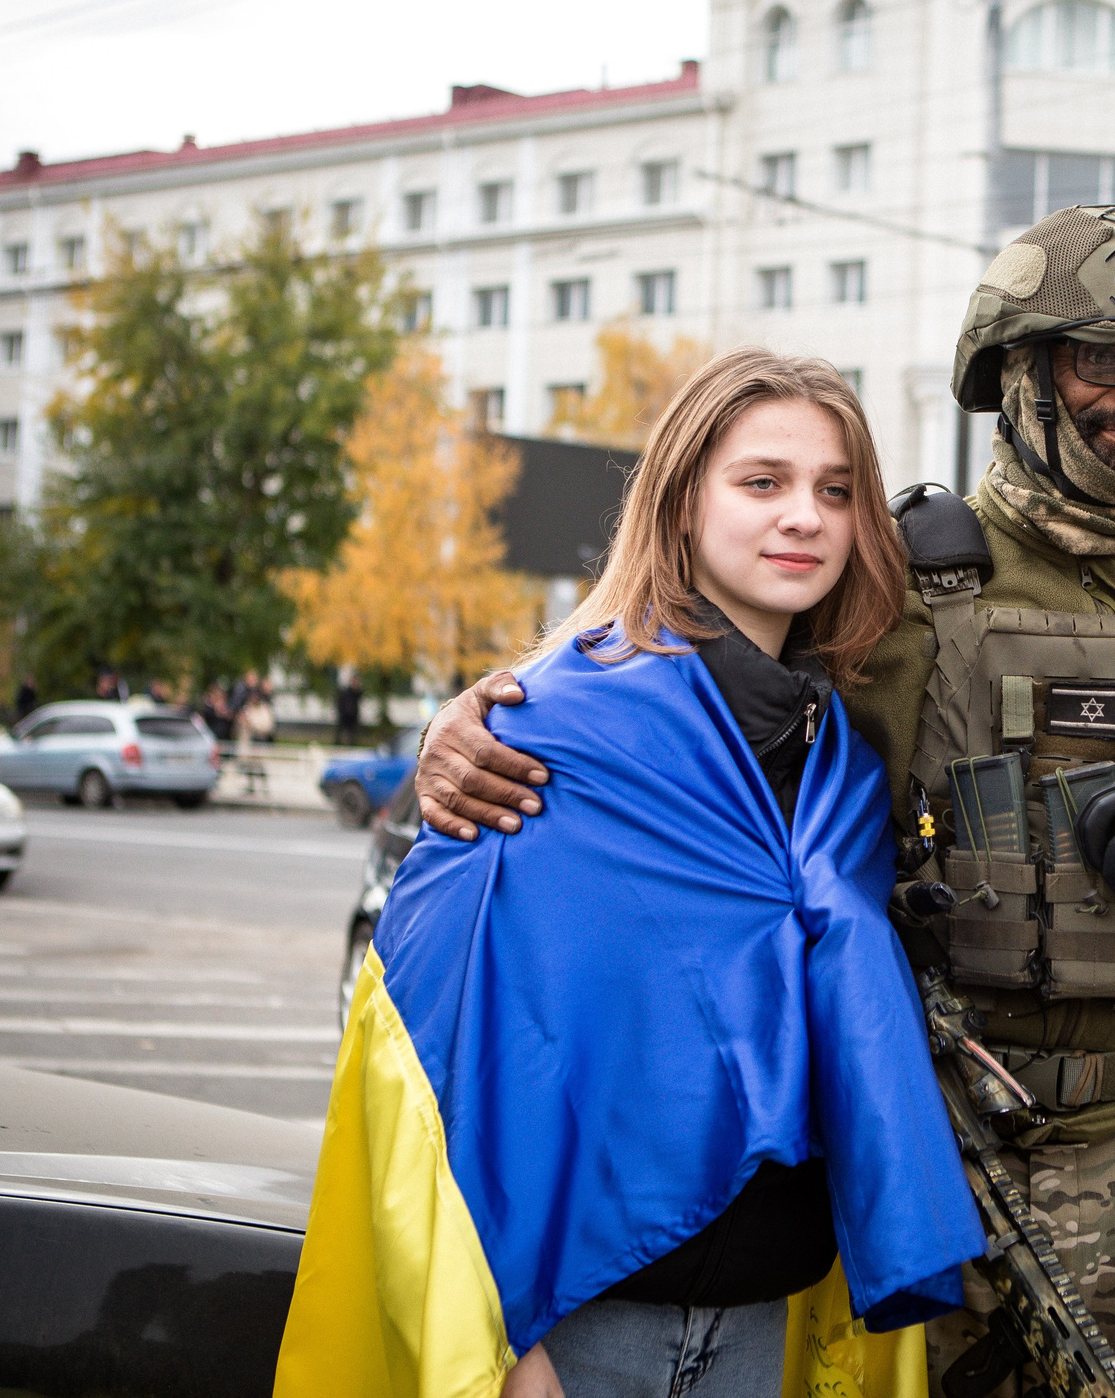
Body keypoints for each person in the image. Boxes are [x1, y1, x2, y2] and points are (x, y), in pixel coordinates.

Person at [417, 206, 1115, 1397]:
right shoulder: (891, 580)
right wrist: (472, 721)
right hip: (935, 1174)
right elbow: (682, 676)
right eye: (1105, 360)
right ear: (1017, 374)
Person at [277, 349, 980, 1398]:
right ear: (682, 503)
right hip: (584, 1326)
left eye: (837, 492)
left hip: (764, 1325)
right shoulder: (551, 727)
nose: (805, 517)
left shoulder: (842, 761)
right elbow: (434, 1044)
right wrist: (503, 1350)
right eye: (762, 482)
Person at [332, 668, 362, 747]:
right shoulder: (345, 692)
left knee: (351, 731)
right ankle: (338, 743)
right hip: (345, 714)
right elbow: (341, 701)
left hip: (352, 714)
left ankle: (350, 743)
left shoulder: (356, 692)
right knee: (342, 729)